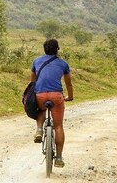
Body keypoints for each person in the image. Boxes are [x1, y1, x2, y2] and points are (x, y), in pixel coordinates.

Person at [30, 39, 74, 168]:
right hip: (57, 96)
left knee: (41, 110)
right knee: (58, 126)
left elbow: (32, 82)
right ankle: (59, 158)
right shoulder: (63, 64)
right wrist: (70, 96)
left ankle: (39, 129)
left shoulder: (36, 61)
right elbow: (68, 83)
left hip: (40, 95)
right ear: (57, 49)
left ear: (44, 49)